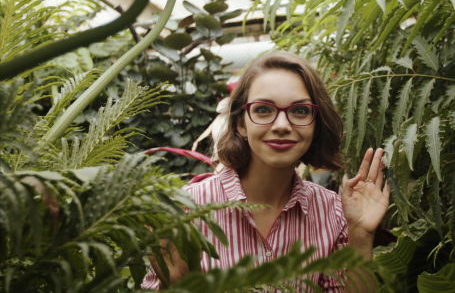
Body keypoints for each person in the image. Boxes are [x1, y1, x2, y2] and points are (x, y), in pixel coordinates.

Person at [141, 51, 390, 291]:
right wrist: (174, 285)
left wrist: (359, 235)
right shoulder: (185, 208)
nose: (282, 125)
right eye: (263, 110)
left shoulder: (333, 213)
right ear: (241, 124)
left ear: (316, 125)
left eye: (300, 111)